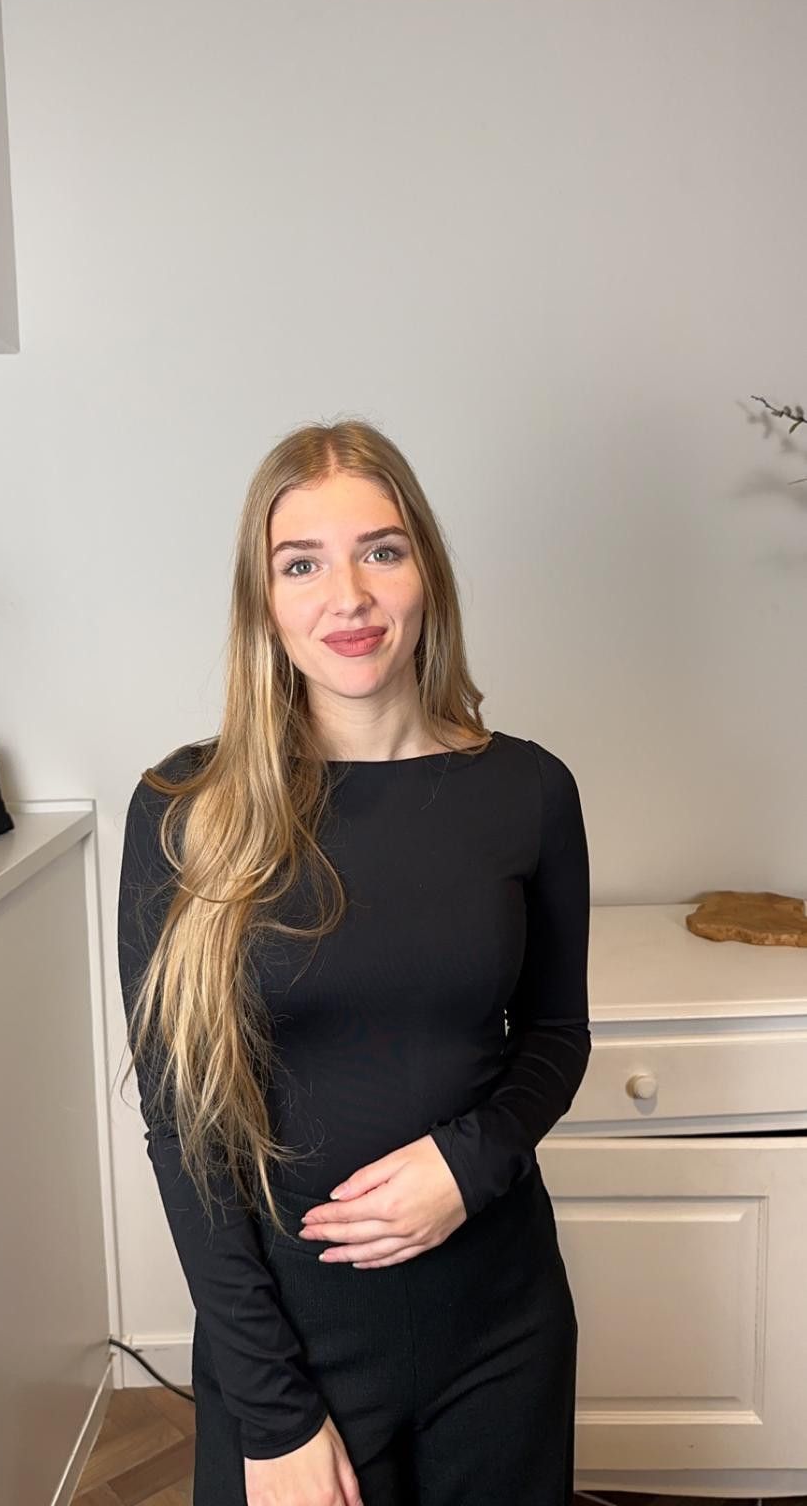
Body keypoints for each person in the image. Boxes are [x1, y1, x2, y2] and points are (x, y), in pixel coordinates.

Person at [116, 417, 591, 1506]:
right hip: (293, 1342)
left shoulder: (529, 790)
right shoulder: (185, 812)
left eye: (381, 550)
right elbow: (182, 1129)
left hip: (503, 1320)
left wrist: (472, 1162)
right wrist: (273, 1412)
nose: (350, 597)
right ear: (263, 602)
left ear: (426, 572)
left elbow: (557, 1035)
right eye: (302, 564)